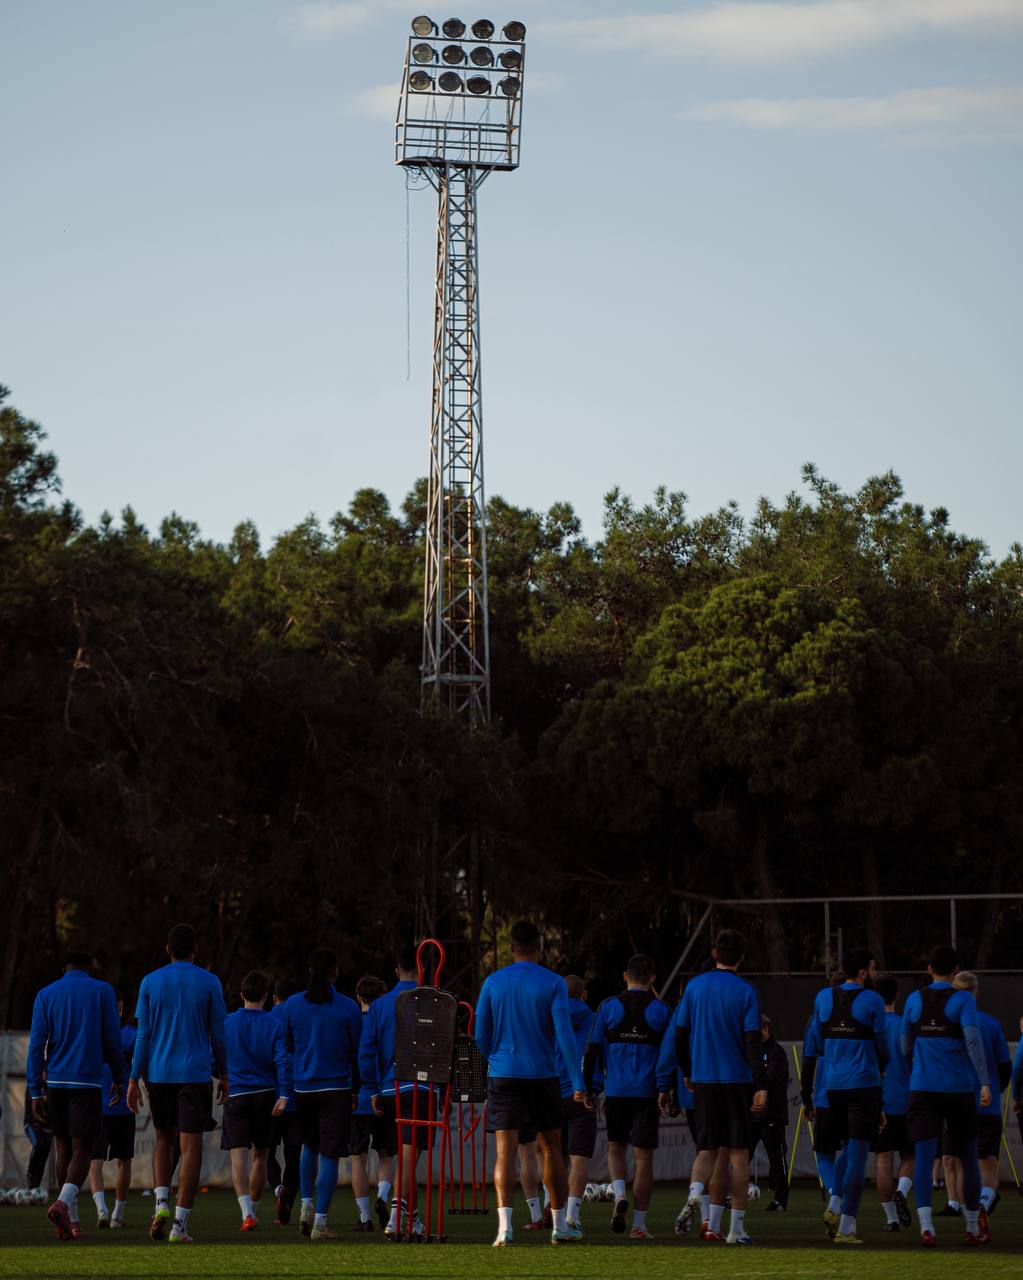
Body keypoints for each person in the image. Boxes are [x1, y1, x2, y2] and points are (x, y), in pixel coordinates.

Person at [474, 919, 587, 1247]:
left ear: (511, 948)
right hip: (544, 1075)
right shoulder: (553, 983)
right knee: (552, 1148)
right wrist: (577, 1080)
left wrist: (495, 1057)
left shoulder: (493, 982)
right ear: (539, 947)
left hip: (504, 1073)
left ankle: (504, 1229)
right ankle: (559, 1227)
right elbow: (565, 1036)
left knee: (505, 1153)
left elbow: (480, 1034)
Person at [660, 929, 766, 1246]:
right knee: (738, 1155)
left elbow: (679, 1036)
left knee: (707, 1150)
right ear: (742, 957)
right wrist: (761, 1082)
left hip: (703, 1080)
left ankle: (696, 1195)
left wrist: (688, 1072)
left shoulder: (694, 987)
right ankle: (737, 1230)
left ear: (715, 954)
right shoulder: (746, 991)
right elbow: (753, 1041)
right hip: (736, 1081)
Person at [128, 922, 228, 1245]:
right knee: (191, 1147)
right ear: (195, 949)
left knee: (162, 1139)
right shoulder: (210, 982)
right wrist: (224, 1073)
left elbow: (142, 1035)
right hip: (195, 1074)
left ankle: (160, 1204)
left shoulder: (149, 982)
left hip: (158, 1074)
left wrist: (133, 1078)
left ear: (167, 950)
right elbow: (219, 1035)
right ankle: (180, 1225)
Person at [27, 951, 126, 1241]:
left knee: (62, 1148)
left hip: (55, 1081)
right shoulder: (103, 991)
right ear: (88, 967)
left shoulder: (46, 994)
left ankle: (72, 1221)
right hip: (86, 1082)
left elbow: (36, 1045)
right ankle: (62, 1204)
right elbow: (112, 1039)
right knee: (84, 1148)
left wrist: (35, 1090)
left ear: (65, 967)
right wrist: (120, 1079)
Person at [902, 944, 992, 1246]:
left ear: (929, 969)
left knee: (926, 1159)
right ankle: (971, 1228)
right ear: (956, 971)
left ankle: (927, 1227)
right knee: (967, 1157)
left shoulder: (914, 999)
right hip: (958, 1089)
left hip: (923, 1089)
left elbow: (905, 1046)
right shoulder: (963, 998)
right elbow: (973, 1042)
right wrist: (984, 1082)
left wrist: (914, 1072)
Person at [804, 946, 887, 1245]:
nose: (875, 973)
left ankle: (835, 1203)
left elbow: (816, 1043)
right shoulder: (873, 999)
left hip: (832, 1086)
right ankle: (847, 1226)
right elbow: (882, 1047)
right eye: (873, 968)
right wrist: (882, 1070)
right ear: (863, 972)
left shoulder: (823, 997)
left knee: (842, 1151)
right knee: (857, 1155)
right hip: (862, 1084)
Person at [584, 953, 670, 1239]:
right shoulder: (661, 1010)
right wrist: (666, 1089)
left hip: (617, 1092)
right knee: (644, 1160)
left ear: (625, 976)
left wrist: (590, 1088)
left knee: (615, 1148)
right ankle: (639, 1225)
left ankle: (619, 1193)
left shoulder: (608, 1007)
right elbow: (670, 1055)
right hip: (647, 1094)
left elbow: (592, 1052)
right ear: (653, 979)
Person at [283, 947, 362, 1241]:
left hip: (303, 1088)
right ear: (334, 972)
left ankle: (305, 1206)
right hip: (336, 1089)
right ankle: (320, 1223)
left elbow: (289, 1045)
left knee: (309, 1147)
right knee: (330, 1155)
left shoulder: (291, 1005)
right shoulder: (348, 1007)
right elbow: (356, 1049)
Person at [221, 969, 289, 1231]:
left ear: (241, 994)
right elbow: (282, 1060)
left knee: (238, 1158)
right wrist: (284, 1093)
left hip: (237, 1094)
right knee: (261, 1156)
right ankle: (254, 1211)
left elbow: (216, 1054)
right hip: (265, 1095)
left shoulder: (227, 1022)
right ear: (266, 995)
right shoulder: (274, 1024)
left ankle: (246, 1212)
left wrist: (220, 1075)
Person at [360, 945, 420, 1236]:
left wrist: (371, 1089)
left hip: (387, 1088)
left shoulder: (380, 1005)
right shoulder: (432, 1001)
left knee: (402, 1156)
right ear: (422, 969)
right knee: (409, 1158)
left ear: (396, 971)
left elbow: (366, 1051)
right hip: (421, 1086)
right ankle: (398, 1213)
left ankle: (414, 1217)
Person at [951, 972, 1011, 1221]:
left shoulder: (949, 1024)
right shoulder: (990, 1024)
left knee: (965, 1163)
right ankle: (984, 1205)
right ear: (976, 992)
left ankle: (970, 1223)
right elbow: (1005, 1066)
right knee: (987, 1162)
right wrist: (995, 1089)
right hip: (988, 1105)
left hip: (959, 1102)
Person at [87, 989, 137, 1228]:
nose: (116, 1012)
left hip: (110, 1109)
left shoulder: (94, 1036)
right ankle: (111, 1213)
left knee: (103, 1160)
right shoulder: (127, 1035)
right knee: (115, 1160)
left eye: (118, 1008)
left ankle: (108, 1211)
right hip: (112, 1109)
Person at [349, 974, 392, 1231]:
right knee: (387, 1153)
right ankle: (382, 1197)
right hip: (384, 1094)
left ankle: (364, 1217)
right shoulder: (387, 1023)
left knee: (358, 1158)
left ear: (358, 998)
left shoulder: (353, 1024)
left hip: (357, 1098)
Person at [873, 975, 914, 1232]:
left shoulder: (871, 1028)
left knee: (882, 1160)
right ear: (897, 996)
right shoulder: (905, 1026)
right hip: (908, 1100)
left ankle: (891, 1218)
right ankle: (902, 1191)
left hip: (881, 1103)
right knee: (910, 1156)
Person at [558, 975, 600, 1232]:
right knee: (579, 1158)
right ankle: (572, 1215)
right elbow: (597, 1054)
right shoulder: (594, 1018)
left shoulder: (551, 1017)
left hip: (553, 1090)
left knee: (554, 1155)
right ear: (583, 993)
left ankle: (554, 1211)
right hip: (582, 1092)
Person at [267, 979, 302, 1225]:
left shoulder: (268, 1020)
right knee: (293, 1155)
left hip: (270, 1097)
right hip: (298, 1096)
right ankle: (287, 1203)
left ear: (274, 998)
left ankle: (279, 1190)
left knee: (266, 1153)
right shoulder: (301, 1019)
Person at [751, 1015, 789, 1213]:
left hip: (772, 1114)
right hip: (753, 1114)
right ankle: (737, 1192)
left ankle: (780, 1199)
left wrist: (758, 1087)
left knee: (777, 1157)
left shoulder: (777, 1052)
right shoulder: (752, 1052)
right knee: (742, 1153)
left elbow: (772, 1079)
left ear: (766, 1030)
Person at [24, 1077, 53, 1193]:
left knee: (45, 1152)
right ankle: (30, 1175)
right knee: (39, 1144)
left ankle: (35, 1187)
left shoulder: (52, 1086)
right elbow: (34, 1103)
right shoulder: (33, 1085)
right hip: (32, 1124)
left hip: (48, 1127)